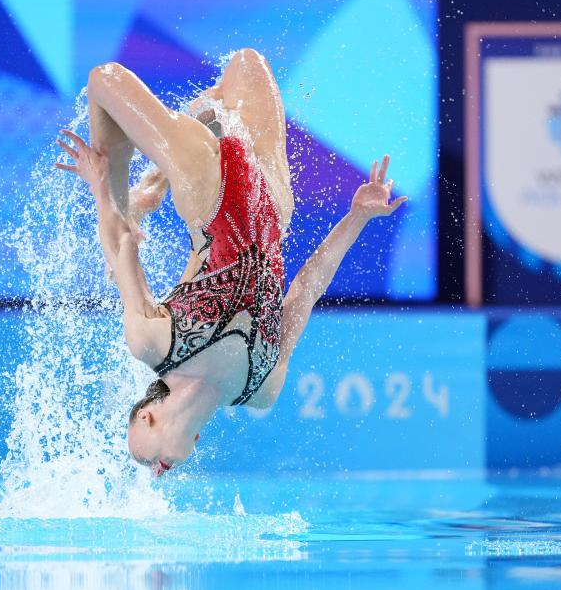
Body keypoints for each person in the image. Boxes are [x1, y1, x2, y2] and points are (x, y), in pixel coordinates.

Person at [55, 49, 406, 477]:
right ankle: (164, 171)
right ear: (195, 442)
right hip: (270, 203)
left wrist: (102, 190)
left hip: (207, 193)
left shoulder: (152, 343)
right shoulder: (261, 388)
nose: (155, 472)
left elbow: (122, 246)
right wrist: (357, 217)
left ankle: (148, 189)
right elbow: (305, 290)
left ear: (147, 416)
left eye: (143, 459)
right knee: (247, 64)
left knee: (103, 78)